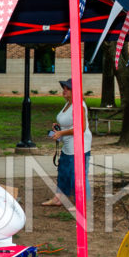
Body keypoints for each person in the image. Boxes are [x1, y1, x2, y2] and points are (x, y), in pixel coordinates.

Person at [42, 78, 92, 206]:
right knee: (63, 172)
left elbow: (81, 128)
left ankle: (82, 204)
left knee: (77, 176)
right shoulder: (69, 103)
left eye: (68, 88)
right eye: (64, 88)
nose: (64, 90)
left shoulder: (79, 105)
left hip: (79, 146)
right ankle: (58, 198)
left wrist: (61, 133)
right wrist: (59, 127)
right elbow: (69, 122)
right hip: (68, 145)